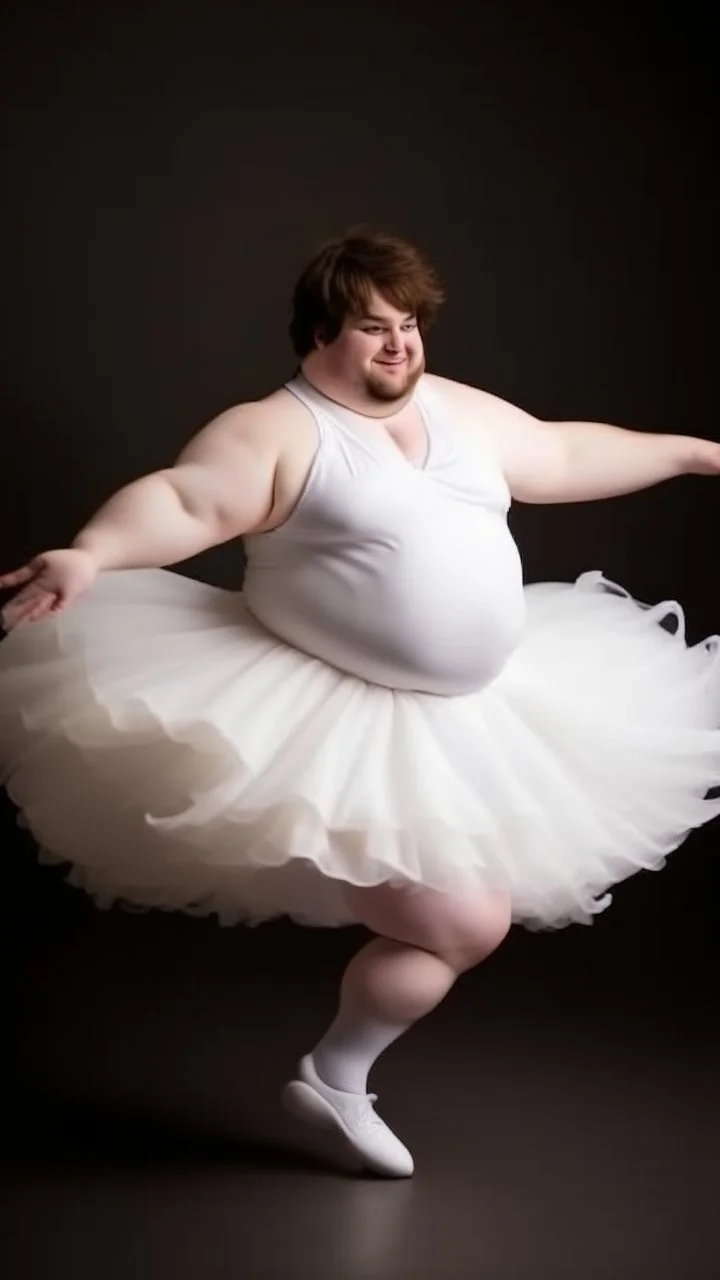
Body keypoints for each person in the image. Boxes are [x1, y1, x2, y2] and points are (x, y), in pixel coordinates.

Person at [1, 228, 719, 1178]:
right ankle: (337, 1069)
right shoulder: (273, 430)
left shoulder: (454, 410)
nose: (400, 346)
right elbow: (184, 502)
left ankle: (335, 1076)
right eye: (375, 328)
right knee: (462, 918)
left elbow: (560, 453)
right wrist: (93, 550)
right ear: (319, 333)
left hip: (474, 709)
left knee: (466, 927)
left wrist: (700, 453)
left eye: (411, 325)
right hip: (322, 711)